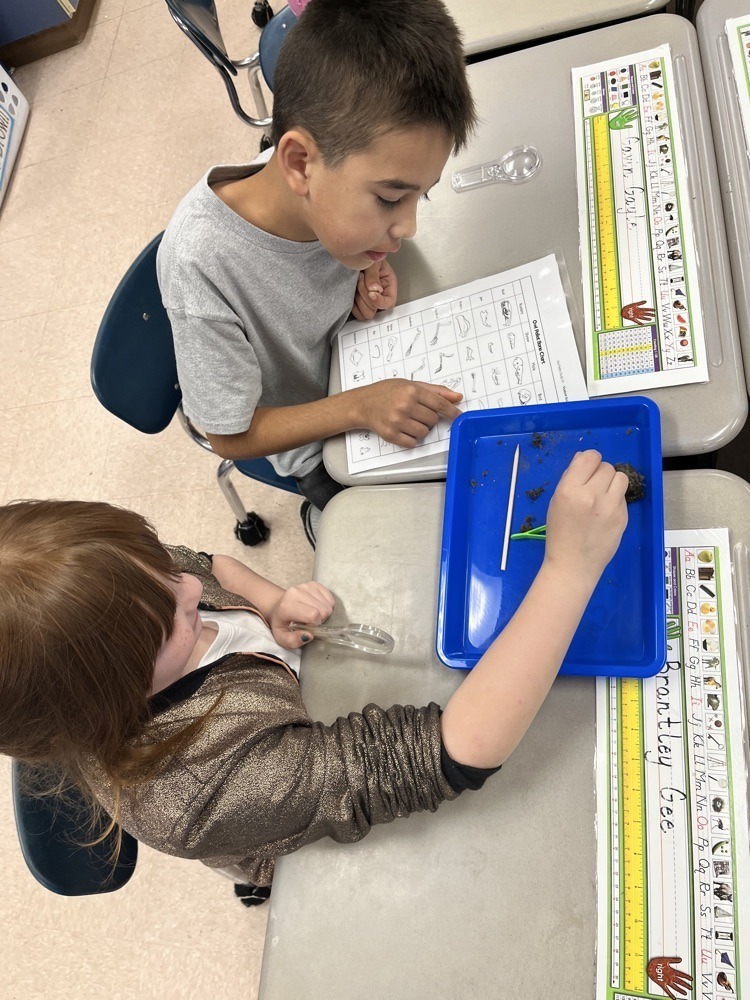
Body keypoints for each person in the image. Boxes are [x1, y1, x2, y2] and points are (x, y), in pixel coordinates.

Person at [0, 452, 628, 899]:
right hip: (276, 822)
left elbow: (209, 566)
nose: (188, 584)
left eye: (160, 562)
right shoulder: (198, 790)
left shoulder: (141, 592)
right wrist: (570, 570)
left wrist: (268, 604)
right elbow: (453, 753)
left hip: (287, 709)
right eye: (173, 616)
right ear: (116, 695)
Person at [156, 0, 477, 535]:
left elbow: (317, 269)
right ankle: (318, 515)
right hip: (311, 437)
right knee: (415, 535)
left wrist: (362, 272)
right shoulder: (201, 263)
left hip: (360, 362)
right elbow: (228, 437)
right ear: (299, 163)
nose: (409, 229)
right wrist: (359, 407)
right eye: (390, 199)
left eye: (420, 197)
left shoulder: (325, 194)